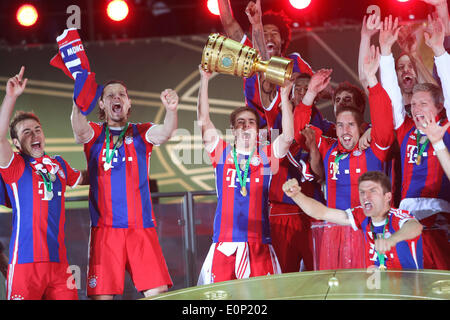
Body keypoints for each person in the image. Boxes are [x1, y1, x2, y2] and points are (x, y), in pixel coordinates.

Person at [70, 80, 178, 299]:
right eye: (110, 96)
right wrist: (78, 100)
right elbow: (78, 128)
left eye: (122, 94)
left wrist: (171, 110)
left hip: (140, 227)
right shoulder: (94, 133)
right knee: (102, 296)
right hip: (105, 230)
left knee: (158, 293)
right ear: (101, 104)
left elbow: (166, 132)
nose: (116, 98)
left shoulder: (142, 132)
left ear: (129, 103)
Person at [294, 45, 396, 269]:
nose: (345, 130)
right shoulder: (328, 147)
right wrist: (310, 92)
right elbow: (300, 132)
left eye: (351, 125)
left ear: (362, 126)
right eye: (340, 125)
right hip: (335, 234)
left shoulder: (373, 147)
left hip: (369, 231)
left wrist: (372, 80)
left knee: (371, 290)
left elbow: (386, 124)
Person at [196, 65, 294, 284]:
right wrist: (204, 80)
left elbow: (287, 137)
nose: (246, 126)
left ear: (257, 130)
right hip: (224, 243)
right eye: (241, 122)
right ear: (233, 130)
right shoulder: (222, 152)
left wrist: (285, 98)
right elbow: (203, 121)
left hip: (259, 243)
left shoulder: (267, 156)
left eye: (251, 122)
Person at [0, 67, 84, 300]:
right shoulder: (14, 166)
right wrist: (11, 97)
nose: (34, 135)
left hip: (59, 264)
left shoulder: (58, 164)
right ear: (16, 143)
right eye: (26, 132)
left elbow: (84, 177)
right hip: (26, 264)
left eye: (37, 129)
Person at [379, 14, 450, 270]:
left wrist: (439, 51)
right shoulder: (405, 127)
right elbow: (392, 96)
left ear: (439, 106)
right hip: (406, 216)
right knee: (410, 286)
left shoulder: (446, 126)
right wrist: (386, 52)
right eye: (415, 103)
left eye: (424, 103)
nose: (417, 108)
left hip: (440, 216)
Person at [283, 171, 424, 270]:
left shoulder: (397, 216)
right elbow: (321, 213)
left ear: (387, 197)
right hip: (378, 289)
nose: (365, 197)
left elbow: (415, 227)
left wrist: (392, 240)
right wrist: (296, 195)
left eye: (372, 191)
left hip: (407, 290)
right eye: (362, 192)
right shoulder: (362, 215)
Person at [218, 0, 314, 129]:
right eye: (264, 34)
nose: (269, 38)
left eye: (274, 33)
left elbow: (322, 90)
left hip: (295, 132)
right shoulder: (250, 57)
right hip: (262, 135)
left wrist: (302, 81)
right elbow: (228, 22)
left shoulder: (295, 62)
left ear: (283, 39)